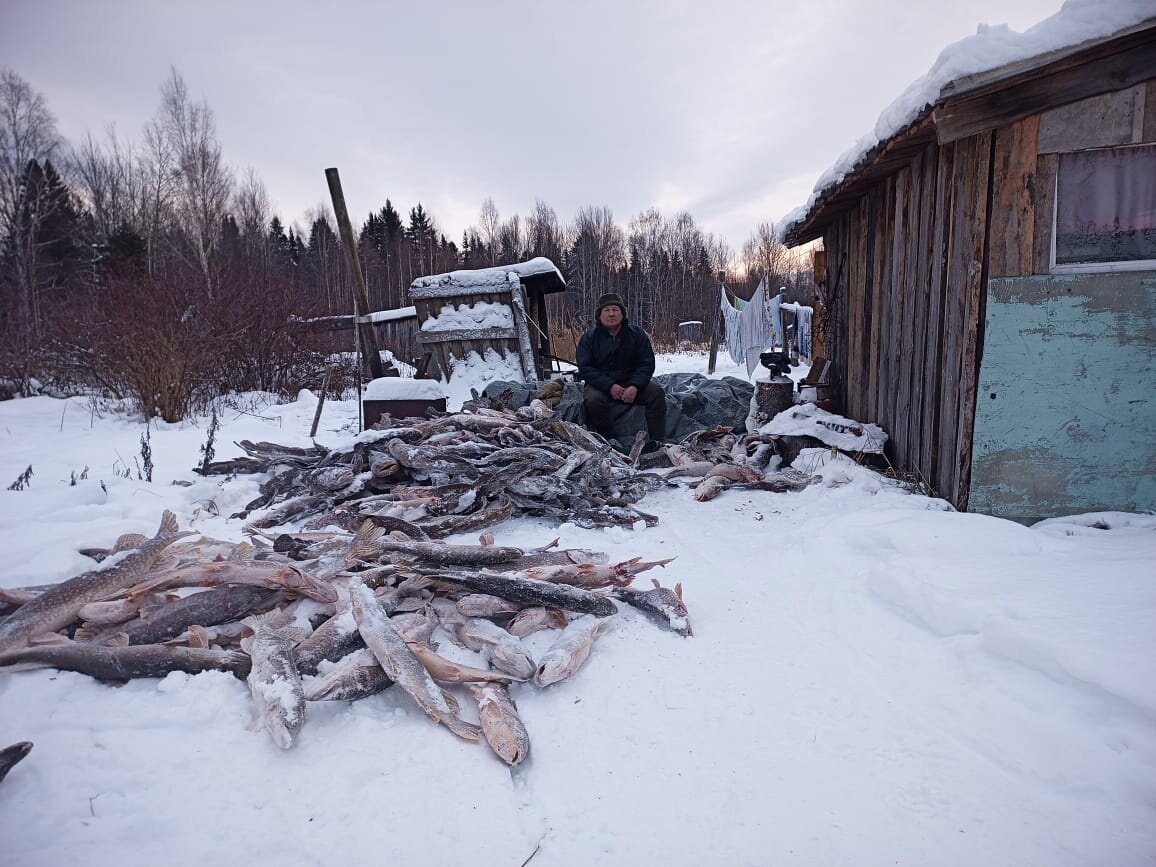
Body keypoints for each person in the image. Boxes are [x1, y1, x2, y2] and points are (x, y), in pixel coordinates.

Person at [576, 292, 667, 449]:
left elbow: (646, 363)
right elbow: (585, 369)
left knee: (656, 393)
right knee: (593, 400)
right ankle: (609, 443)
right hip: (601, 385)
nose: (611, 314)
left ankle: (658, 442)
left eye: (615, 309)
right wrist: (610, 386)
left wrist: (635, 386)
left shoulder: (636, 334)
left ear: (622, 313)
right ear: (599, 315)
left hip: (631, 382)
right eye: (607, 310)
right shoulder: (589, 338)